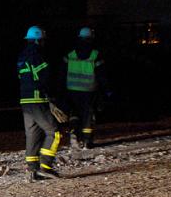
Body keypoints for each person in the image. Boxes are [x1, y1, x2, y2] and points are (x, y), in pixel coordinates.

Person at [18, 26, 62, 181]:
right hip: (38, 100)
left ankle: (32, 170)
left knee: (32, 135)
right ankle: (46, 166)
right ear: (38, 40)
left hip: (25, 101)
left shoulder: (22, 56)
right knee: (54, 132)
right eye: (43, 40)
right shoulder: (38, 55)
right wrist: (51, 97)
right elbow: (44, 78)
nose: (44, 43)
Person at [63, 27, 107, 148]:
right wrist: (106, 90)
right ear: (91, 38)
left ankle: (74, 134)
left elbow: (62, 71)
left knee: (74, 113)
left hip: (71, 89)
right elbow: (101, 74)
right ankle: (87, 141)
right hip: (89, 90)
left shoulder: (70, 53)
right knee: (88, 115)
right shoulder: (95, 54)